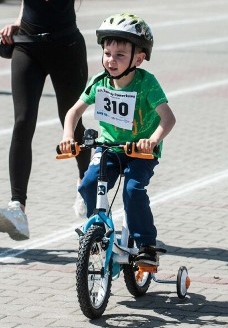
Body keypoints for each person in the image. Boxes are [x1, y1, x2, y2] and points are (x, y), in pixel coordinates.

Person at [0, 0, 92, 241]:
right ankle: (17, 207)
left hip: (65, 47)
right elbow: (31, 1)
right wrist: (17, 22)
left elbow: (58, 1)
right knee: (22, 122)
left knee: (73, 122)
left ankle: (89, 194)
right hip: (28, 46)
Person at [59, 14, 176, 268]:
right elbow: (73, 112)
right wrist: (68, 135)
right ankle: (99, 231)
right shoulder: (99, 82)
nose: (111, 60)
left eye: (120, 55)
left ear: (138, 58)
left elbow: (168, 119)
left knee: (133, 191)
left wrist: (152, 140)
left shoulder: (147, 84)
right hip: (109, 148)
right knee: (89, 184)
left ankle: (146, 245)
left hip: (140, 151)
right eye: (107, 53)